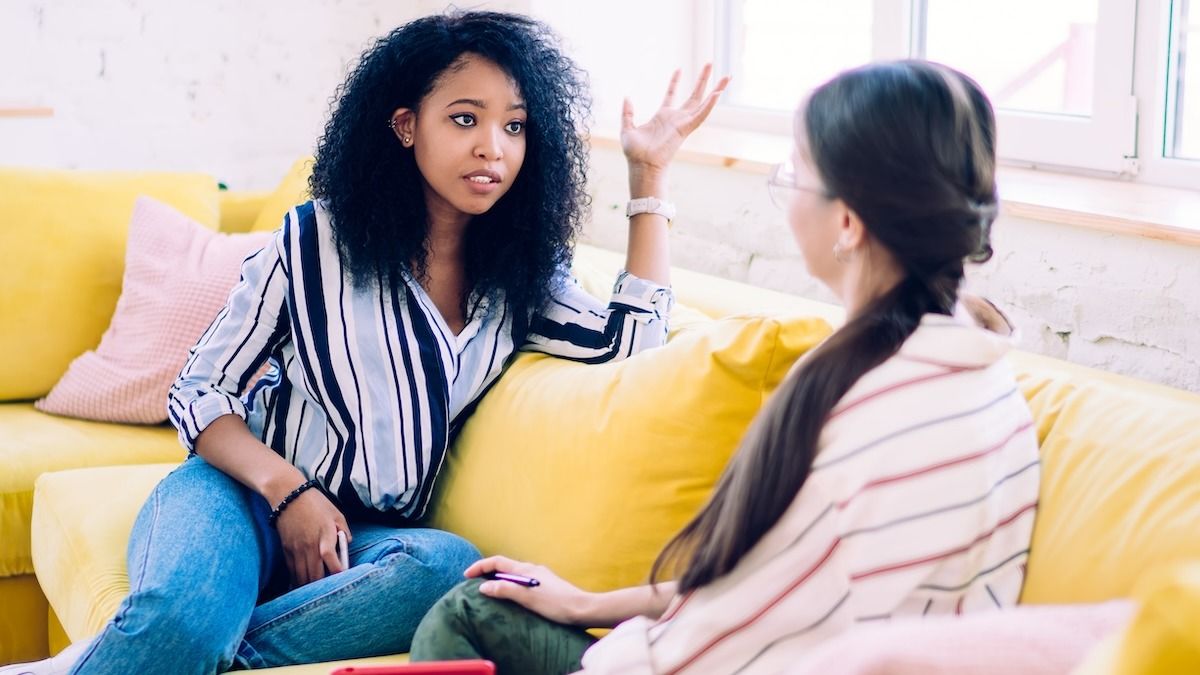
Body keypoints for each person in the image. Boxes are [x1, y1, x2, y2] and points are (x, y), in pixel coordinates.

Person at [2, 11, 727, 675]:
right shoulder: (316, 240)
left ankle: (144, 654)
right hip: (238, 495)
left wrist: (649, 175)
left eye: (514, 126)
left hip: (368, 540)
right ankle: (177, 638)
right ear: (407, 126)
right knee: (184, 619)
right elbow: (199, 390)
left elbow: (632, 344)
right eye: (465, 119)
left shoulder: (521, 276)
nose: (493, 147)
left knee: (449, 567)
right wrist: (292, 494)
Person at [409, 60, 1042, 674]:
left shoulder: (880, 408)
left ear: (847, 222)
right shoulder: (974, 370)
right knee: (483, 602)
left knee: (469, 609)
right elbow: (767, 590)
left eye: (796, 175)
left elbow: (742, 634)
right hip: (694, 645)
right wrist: (587, 604)